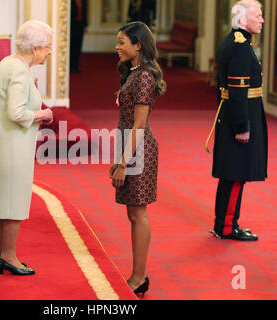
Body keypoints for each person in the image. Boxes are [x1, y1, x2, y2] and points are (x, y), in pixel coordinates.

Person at [0, 20, 53, 275]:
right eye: (47, 48)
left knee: (5, 199)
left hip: (5, 142)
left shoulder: (8, 63)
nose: (49, 52)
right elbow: (17, 112)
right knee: (13, 201)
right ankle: (9, 256)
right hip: (13, 145)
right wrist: (43, 114)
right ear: (35, 48)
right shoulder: (20, 70)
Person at [111, 21, 165, 296]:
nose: (117, 47)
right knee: (133, 213)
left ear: (138, 45)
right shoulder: (133, 72)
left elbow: (139, 124)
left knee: (138, 213)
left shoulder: (143, 77)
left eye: (122, 42)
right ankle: (138, 273)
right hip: (131, 147)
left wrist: (124, 162)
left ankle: (139, 276)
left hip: (139, 149)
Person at [208, 0, 267, 241]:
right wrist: (243, 127)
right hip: (240, 117)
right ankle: (226, 227)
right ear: (243, 20)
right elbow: (238, 92)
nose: (262, 20)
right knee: (235, 174)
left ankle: (226, 223)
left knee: (232, 174)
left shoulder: (233, 41)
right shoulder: (240, 46)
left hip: (230, 114)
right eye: (258, 15)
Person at [70, 0, 88, 73]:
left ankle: (75, 66)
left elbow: (85, 13)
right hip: (72, 26)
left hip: (80, 25)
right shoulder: (70, 2)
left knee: (78, 46)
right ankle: (70, 66)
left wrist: (85, 25)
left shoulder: (84, 1)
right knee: (72, 46)